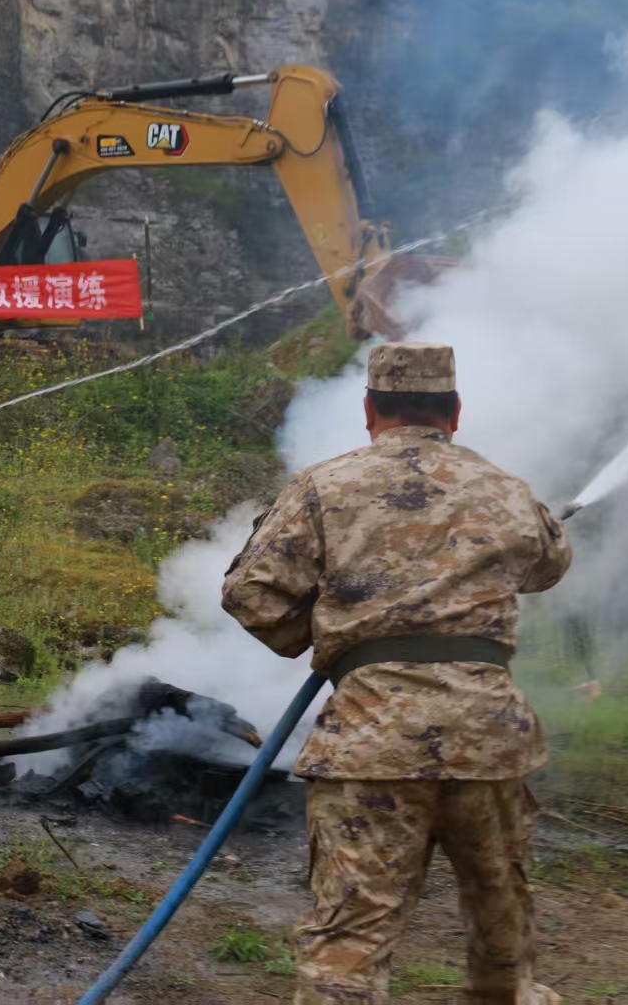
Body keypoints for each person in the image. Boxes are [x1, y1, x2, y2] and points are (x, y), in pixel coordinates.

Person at [221, 342, 572, 1005]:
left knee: (348, 940)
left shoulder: (324, 487)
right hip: (489, 744)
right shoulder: (505, 488)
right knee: (503, 935)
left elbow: (251, 592)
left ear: (368, 410)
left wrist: (325, 637)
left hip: (371, 740)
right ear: (456, 412)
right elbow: (549, 566)